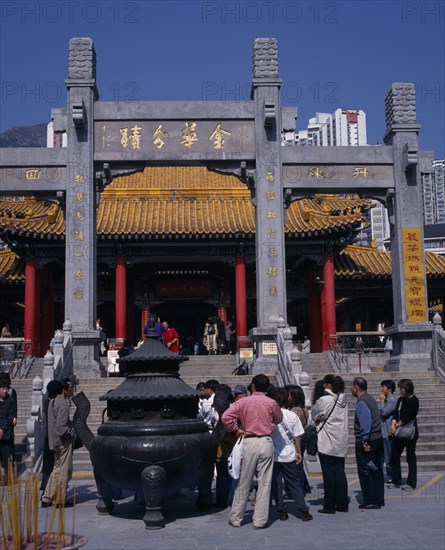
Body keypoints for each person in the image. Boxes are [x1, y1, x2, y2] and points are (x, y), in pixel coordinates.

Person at [222, 374, 283, 529]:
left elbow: (225, 417)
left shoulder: (243, 401)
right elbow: (279, 419)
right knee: (265, 482)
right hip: (265, 441)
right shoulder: (272, 402)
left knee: (244, 480)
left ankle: (236, 517)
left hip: (249, 440)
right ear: (267, 387)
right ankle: (260, 520)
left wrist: (236, 429)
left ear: (253, 386)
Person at [268, 387, 313, 522]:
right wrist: (298, 452)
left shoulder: (270, 416)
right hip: (289, 454)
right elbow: (297, 436)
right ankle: (303, 510)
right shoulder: (292, 415)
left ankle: (281, 510)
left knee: (277, 484)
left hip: (273, 454)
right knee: (294, 483)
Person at [311, 374, 349, 514]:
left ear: (328, 385)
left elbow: (314, 416)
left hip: (326, 439)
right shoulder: (343, 399)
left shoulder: (323, 400)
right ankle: (342, 503)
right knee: (340, 472)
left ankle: (329, 505)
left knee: (328, 474)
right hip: (341, 439)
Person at [351, 376, 385, 510]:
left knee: (367, 470)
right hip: (376, 438)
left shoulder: (362, 402)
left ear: (356, 388)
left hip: (368, 441)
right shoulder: (370, 398)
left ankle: (371, 500)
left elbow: (366, 424)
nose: (351, 390)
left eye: (352, 387)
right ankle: (378, 498)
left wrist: (364, 441)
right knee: (375, 469)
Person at [41, 378, 76, 507]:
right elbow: (61, 426)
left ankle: (46, 498)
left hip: (54, 441)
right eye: (70, 388)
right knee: (63, 470)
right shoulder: (64, 404)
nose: (72, 390)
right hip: (64, 441)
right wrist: (72, 433)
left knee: (56, 469)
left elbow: (52, 424)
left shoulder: (52, 402)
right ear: (64, 390)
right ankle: (60, 500)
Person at [388, 378, 420, 490]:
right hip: (399, 432)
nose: (400, 390)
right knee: (394, 456)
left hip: (410, 432)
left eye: (401, 388)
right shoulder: (400, 400)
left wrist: (397, 425)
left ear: (406, 389)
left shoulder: (414, 400)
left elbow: (409, 416)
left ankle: (411, 482)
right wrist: (393, 424)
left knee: (410, 458)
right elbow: (396, 413)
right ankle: (396, 480)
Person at [286, 384, 311, 494]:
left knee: (296, 467)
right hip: (301, 439)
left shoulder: (295, 411)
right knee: (298, 465)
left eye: (289, 395)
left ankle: (297, 489)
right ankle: (304, 486)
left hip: (296, 440)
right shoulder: (303, 409)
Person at [40, 380, 63, 492]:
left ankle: (46, 487)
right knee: (51, 464)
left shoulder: (47, 401)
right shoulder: (52, 403)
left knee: (48, 464)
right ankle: (47, 489)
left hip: (48, 436)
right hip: (52, 437)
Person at [379, 379, 398, 482]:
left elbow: (384, 412)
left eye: (383, 387)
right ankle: (381, 475)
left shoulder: (393, 400)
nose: (381, 389)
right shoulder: (385, 400)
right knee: (381, 456)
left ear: (389, 389)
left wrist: (381, 401)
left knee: (388, 455)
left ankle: (391, 476)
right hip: (381, 432)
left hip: (387, 432)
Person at [0, 377, 16, 481]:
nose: (5, 391)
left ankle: (7, 479)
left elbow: (11, 416)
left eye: (6, 388)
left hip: (7, 435)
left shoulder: (11, 401)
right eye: (3, 388)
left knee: (7, 459)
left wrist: (2, 429)